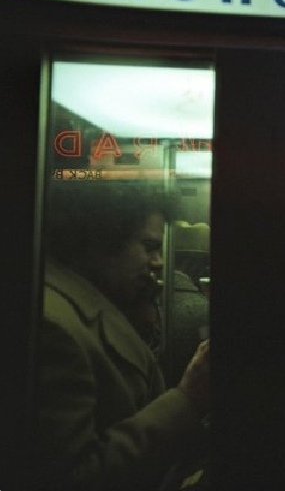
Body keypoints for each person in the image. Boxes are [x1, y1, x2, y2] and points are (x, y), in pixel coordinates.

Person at [32, 181, 210, 491]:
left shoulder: (87, 306)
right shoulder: (54, 328)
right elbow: (73, 478)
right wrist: (187, 398)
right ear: (103, 243)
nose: (159, 262)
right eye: (150, 247)